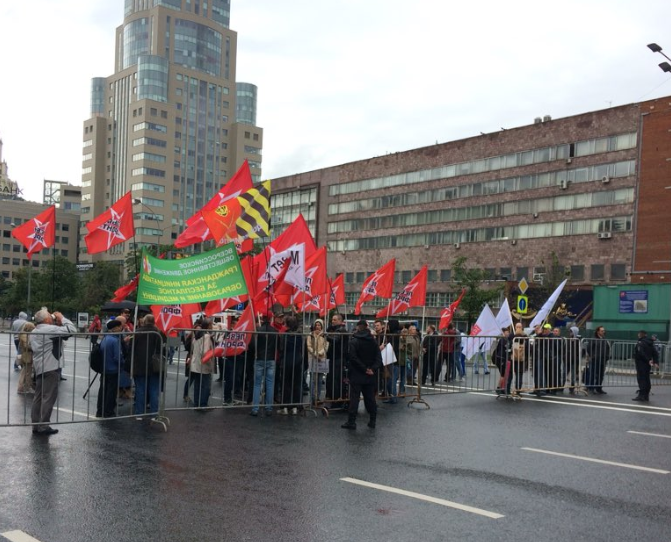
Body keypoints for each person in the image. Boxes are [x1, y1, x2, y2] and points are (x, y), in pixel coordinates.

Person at [29, 309, 77, 435]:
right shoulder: (49, 330)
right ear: (46, 319)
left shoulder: (34, 331)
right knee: (48, 397)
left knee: (38, 397)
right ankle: (44, 425)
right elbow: (72, 330)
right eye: (50, 317)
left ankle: (35, 424)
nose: (52, 318)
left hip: (39, 367)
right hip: (51, 367)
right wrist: (62, 317)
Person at [342, 319, 383, 430]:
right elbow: (378, 359)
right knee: (370, 398)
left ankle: (352, 422)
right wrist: (372, 369)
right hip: (370, 375)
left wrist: (364, 369)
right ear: (367, 327)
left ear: (358, 327)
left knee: (354, 398)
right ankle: (372, 420)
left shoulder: (354, 341)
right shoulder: (373, 341)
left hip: (357, 373)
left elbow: (353, 358)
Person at [128, 313, 163, 416]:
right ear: (154, 322)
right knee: (154, 391)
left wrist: (129, 366)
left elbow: (131, 350)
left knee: (140, 390)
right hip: (154, 366)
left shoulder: (137, 332)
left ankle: (139, 413)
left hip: (139, 366)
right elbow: (162, 349)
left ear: (144, 321)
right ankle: (154, 414)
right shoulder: (158, 333)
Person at [251, 312, 279, 416]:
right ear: (271, 319)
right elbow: (277, 346)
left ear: (262, 319)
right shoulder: (275, 331)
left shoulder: (258, 330)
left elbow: (254, 345)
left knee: (257, 384)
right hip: (271, 359)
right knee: (270, 384)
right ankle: (269, 408)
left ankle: (255, 408)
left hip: (259, 358)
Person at [97, 318, 126, 418]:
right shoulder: (115, 340)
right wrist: (123, 363)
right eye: (120, 326)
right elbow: (118, 357)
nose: (121, 328)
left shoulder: (105, 338)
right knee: (111, 392)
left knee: (102, 391)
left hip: (104, 368)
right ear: (116, 328)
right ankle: (108, 412)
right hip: (113, 369)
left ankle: (100, 411)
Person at [278, 315, 305, 415]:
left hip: (287, 359)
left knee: (285, 383)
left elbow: (281, 348)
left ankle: (285, 406)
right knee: (296, 383)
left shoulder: (284, 335)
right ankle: (295, 407)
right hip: (297, 359)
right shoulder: (299, 335)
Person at [188, 318, 215, 408]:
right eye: (211, 325)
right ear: (208, 326)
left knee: (197, 385)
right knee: (205, 385)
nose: (213, 326)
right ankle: (203, 404)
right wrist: (212, 354)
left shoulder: (197, 335)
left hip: (195, 364)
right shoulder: (206, 336)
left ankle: (197, 403)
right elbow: (205, 351)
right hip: (203, 364)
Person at [326, 313, 349, 406]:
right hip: (334, 358)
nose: (332, 321)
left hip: (338, 359)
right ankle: (333, 398)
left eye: (335, 320)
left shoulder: (341, 330)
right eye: (332, 319)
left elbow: (335, 340)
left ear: (340, 321)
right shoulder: (335, 329)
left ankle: (337, 400)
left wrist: (326, 336)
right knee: (332, 379)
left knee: (336, 380)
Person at [307, 318, 329, 404]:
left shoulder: (324, 335)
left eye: (319, 325)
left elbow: (326, 345)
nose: (317, 326)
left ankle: (318, 397)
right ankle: (312, 397)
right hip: (313, 358)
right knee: (313, 379)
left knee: (320, 380)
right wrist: (315, 353)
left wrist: (320, 353)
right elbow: (308, 346)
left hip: (322, 359)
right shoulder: (310, 335)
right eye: (316, 325)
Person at [633, 330, 658, 402]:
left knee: (641, 379)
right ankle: (646, 395)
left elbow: (641, 353)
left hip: (641, 363)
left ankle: (641, 395)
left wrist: (647, 360)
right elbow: (655, 353)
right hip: (647, 364)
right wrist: (655, 361)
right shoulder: (650, 343)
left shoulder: (640, 343)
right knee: (647, 378)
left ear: (640, 335)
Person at [584, 326, 610, 394]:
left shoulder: (604, 339)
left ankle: (599, 388)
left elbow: (607, 348)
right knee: (592, 374)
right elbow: (589, 348)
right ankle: (591, 388)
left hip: (603, 359)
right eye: (602, 331)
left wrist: (607, 357)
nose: (603, 332)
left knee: (601, 375)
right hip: (595, 359)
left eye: (603, 330)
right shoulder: (594, 339)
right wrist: (593, 356)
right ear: (598, 331)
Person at [17, 321, 36, 394]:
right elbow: (26, 345)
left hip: (26, 354)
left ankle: (24, 387)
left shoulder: (24, 334)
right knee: (26, 372)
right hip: (27, 355)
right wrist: (34, 347)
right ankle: (23, 388)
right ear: (30, 328)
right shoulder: (24, 335)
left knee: (26, 372)